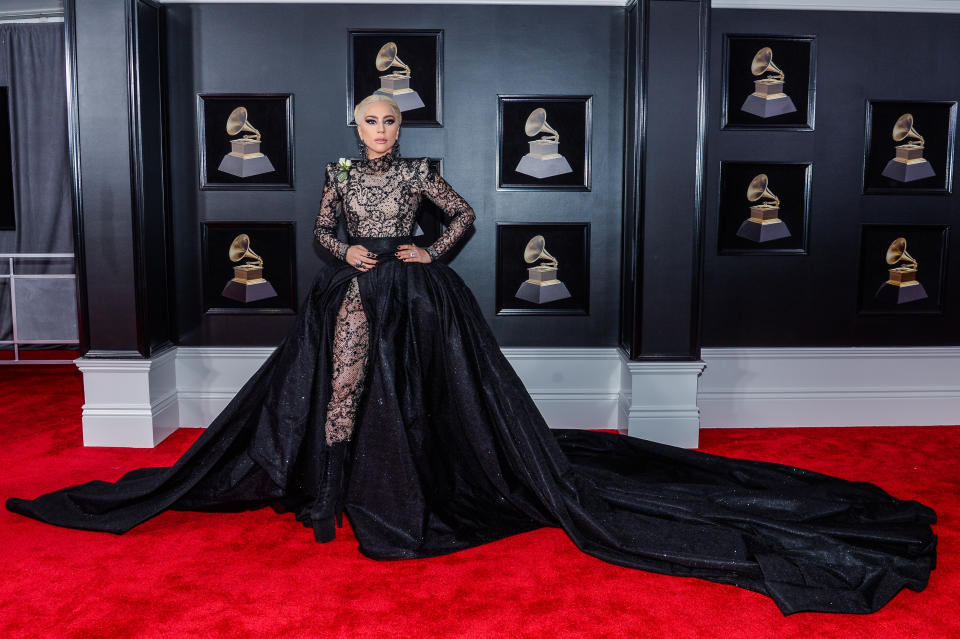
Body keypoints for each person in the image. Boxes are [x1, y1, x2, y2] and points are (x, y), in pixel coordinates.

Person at [6, 95, 936, 616]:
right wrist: (350, 253)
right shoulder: (336, 177)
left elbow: (465, 217)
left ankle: (402, 478)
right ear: (353, 127)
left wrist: (424, 251)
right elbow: (324, 231)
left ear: (400, 130)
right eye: (369, 121)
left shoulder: (417, 175)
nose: (380, 130)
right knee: (335, 386)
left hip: (417, 297)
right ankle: (332, 481)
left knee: (419, 393)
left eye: (388, 121)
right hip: (351, 293)